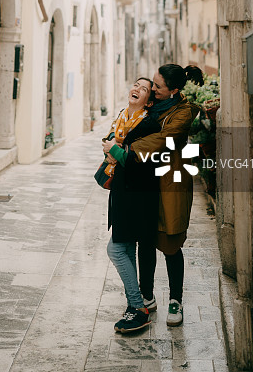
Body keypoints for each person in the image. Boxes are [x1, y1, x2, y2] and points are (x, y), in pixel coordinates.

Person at [128, 64, 200, 327]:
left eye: (158, 86)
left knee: (170, 243)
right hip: (146, 183)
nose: (154, 89)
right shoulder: (150, 107)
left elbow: (165, 139)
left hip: (170, 183)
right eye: (154, 84)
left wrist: (128, 148)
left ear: (174, 90)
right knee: (145, 241)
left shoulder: (183, 113)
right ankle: (146, 295)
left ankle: (176, 299)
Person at [101, 77, 160, 334]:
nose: (137, 89)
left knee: (115, 250)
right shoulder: (122, 116)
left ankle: (139, 307)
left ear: (149, 99)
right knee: (125, 248)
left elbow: (143, 164)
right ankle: (133, 306)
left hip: (138, 197)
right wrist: (110, 147)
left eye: (144, 89)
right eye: (136, 85)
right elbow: (111, 142)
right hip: (121, 194)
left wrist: (115, 150)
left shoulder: (149, 124)